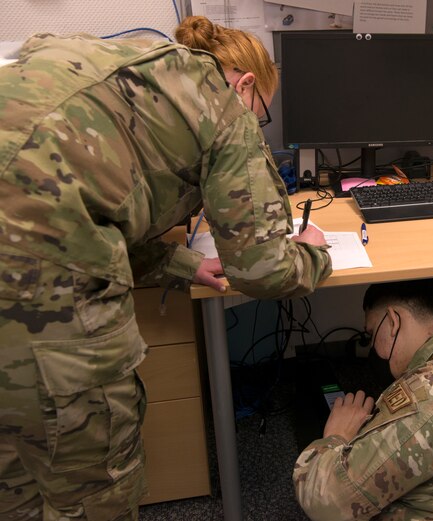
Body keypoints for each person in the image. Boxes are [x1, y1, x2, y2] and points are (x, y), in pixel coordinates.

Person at [0, 16, 331, 520]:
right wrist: (313, 252)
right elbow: (262, 271)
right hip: (38, 301)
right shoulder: (222, 108)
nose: (257, 125)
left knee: (14, 471)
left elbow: (81, 205)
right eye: (261, 113)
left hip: (28, 263)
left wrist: (179, 263)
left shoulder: (118, 63)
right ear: (244, 84)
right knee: (93, 492)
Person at [293, 278, 433, 520]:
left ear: (392, 322)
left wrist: (335, 436)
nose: (373, 347)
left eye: (372, 333)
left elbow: (325, 504)